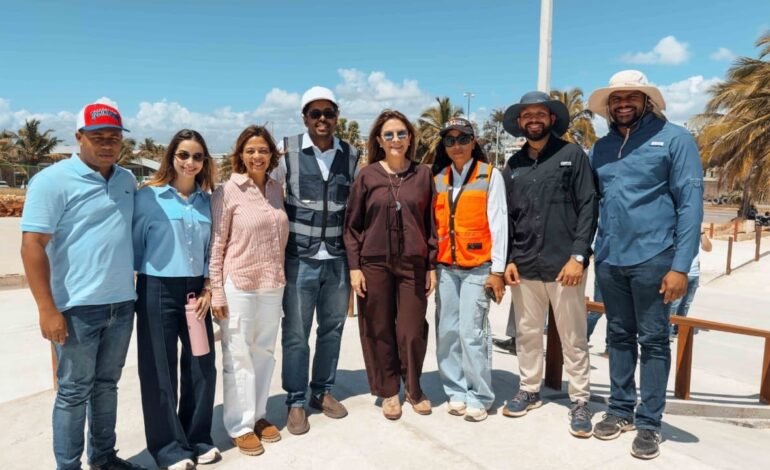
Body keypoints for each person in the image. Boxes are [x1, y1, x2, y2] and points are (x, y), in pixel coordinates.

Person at [20, 100, 145, 470]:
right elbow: (31, 246)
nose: (107, 143)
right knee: (74, 393)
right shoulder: (52, 181)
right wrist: (47, 309)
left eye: (113, 137)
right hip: (76, 309)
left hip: (122, 305)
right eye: (97, 136)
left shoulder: (125, 180)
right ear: (79, 137)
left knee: (107, 387)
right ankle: (69, 465)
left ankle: (104, 458)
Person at [587, 70, 704, 459]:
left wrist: (680, 267)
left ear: (646, 101)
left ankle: (649, 422)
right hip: (610, 259)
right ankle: (620, 409)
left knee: (653, 340)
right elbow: (592, 204)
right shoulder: (601, 148)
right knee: (617, 337)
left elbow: (690, 205)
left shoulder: (675, 140)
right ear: (608, 107)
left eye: (631, 98)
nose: (623, 105)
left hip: (655, 259)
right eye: (616, 100)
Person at [499, 91, 598, 438]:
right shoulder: (513, 166)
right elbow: (508, 218)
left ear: (551, 119)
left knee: (573, 336)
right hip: (525, 265)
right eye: (528, 116)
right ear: (521, 123)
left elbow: (589, 206)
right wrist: (508, 259)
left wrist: (578, 257)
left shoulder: (573, 155)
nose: (534, 120)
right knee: (527, 334)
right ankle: (529, 389)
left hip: (564, 266)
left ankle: (581, 400)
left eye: (540, 114)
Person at [273, 86, 360, 434]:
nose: (322, 119)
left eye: (329, 113)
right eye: (315, 113)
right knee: (296, 333)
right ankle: (295, 400)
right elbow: (268, 195)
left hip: (337, 260)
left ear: (337, 117)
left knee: (332, 329)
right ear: (305, 117)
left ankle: (321, 391)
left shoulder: (351, 154)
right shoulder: (287, 153)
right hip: (300, 259)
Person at [132, 129, 219, 470]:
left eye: (197, 156)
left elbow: (213, 248)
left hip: (196, 291)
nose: (190, 162)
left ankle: (197, 438)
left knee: (201, 366)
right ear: (171, 157)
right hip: (156, 289)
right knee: (159, 370)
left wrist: (210, 288)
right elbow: (136, 245)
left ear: (204, 162)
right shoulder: (148, 197)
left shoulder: (207, 202)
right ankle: (169, 448)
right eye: (183, 155)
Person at [344, 110, 437, 420]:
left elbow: (431, 223)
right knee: (379, 328)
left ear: (410, 138)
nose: (396, 139)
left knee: (411, 329)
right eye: (389, 135)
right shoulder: (367, 176)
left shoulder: (423, 175)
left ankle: (413, 387)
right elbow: (353, 225)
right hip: (374, 264)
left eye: (401, 133)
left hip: (413, 265)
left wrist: (432, 265)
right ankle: (387, 391)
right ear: (379, 141)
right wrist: (355, 266)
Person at [209, 126, 288, 456]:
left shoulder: (275, 189)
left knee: (264, 353)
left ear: (272, 155)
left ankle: (257, 415)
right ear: (240, 154)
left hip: (272, 283)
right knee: (238, 356)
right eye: (251, 150)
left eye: (263, 150)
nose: (257, 156)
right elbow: (217, 243)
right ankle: (238, 425)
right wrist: (216, 290)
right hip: (239, 284)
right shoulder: (226, 192)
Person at [433, 117, 508, 422]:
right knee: (447, 332)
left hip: (479, 267)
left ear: (473, 141)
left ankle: (480, 394)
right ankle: (456, 390)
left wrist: (498, 270)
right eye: (450, 141)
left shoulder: (490, 176)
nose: (457, 146)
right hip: (446, 268)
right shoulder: (439, 179)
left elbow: (500, 222)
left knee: (472, 332)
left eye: (462, 139)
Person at [669, 232, 712, 338]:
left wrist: (702, 233)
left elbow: (708, 248)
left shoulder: (698, 231)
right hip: (681, 273)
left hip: (694, 274)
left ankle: (678, 329)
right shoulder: (681, 229)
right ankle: (667, 332)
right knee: (674, 304)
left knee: (686, 304)